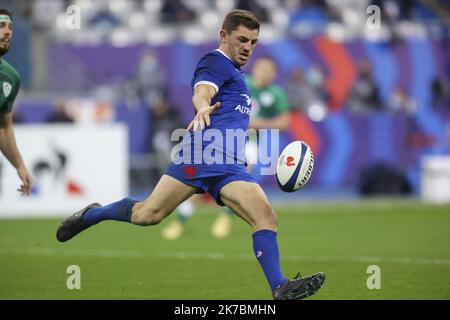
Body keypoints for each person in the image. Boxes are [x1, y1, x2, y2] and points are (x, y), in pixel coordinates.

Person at [56, 9, 325, 300]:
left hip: (229, 165)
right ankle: (93, 214)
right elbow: (203, 91)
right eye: (242, 39)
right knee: (149, 214)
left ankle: (279, 287)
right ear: (224, 36)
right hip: (200, 155)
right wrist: (202, 106)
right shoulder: (215, 62)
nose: (248, 47)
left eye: (253, 42)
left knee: (266, 216)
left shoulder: (237, 74)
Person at [162, 56, 290, 240]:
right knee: (199, 182)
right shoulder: (242, 84)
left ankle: (225, 217)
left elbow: (284, 122)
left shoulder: (276, 93)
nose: (265, 73)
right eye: (262, 68)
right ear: (256, 69)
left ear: (274, 73)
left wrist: (256, 124)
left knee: (240, 179)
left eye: (269, 70)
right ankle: (180, 221)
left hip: (249, 142)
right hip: (223, 139)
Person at [0, 8, 32, 196]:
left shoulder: (11, 78)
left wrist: (19, 165)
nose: (7, 32)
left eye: (10, 27)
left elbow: (3, 128)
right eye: (1, 26)